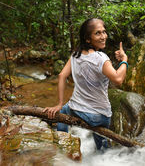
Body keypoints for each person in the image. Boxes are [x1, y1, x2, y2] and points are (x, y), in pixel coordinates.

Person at [44, 18, 128, 150]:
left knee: (63, 111)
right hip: (100, 116)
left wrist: (59, 103)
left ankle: (62, 144)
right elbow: (118, 79)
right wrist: (124, 60)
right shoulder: (101, 58)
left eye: (104, 32)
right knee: (102, 145)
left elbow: (62, 76)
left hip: (77, 110)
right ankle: (103, 157)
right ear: (88, 39)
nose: (103, 36)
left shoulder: (75, 56)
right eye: (98, 33)